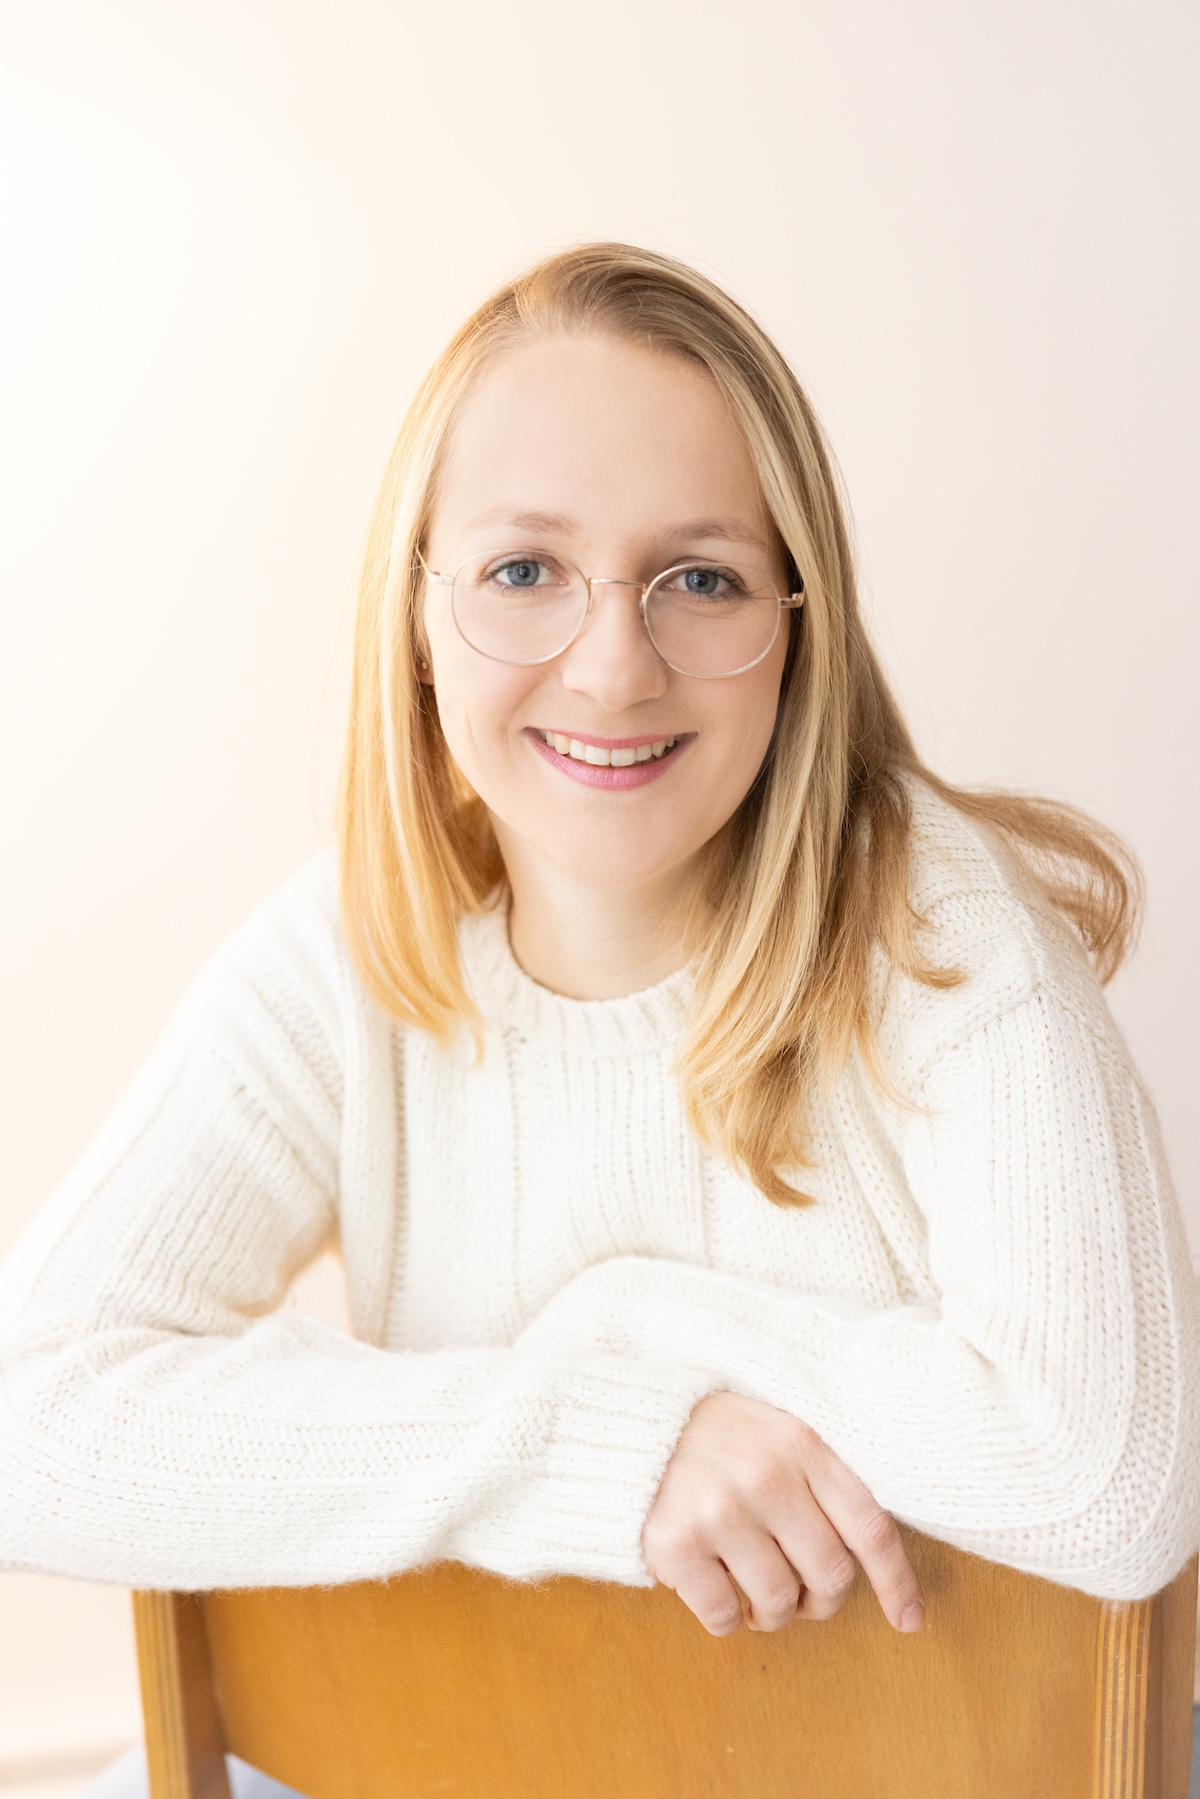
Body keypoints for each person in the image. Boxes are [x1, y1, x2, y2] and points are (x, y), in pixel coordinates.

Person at [2, 244, 1197, 1798]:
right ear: (416, 606)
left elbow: (1106, 1480)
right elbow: (28, 1414)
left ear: (797, 616)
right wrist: (592, 1438)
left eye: (698, 576)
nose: (613, 665)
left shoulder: (936, 929)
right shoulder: (344, 956)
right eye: (523, 572)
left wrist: (641, 1322)